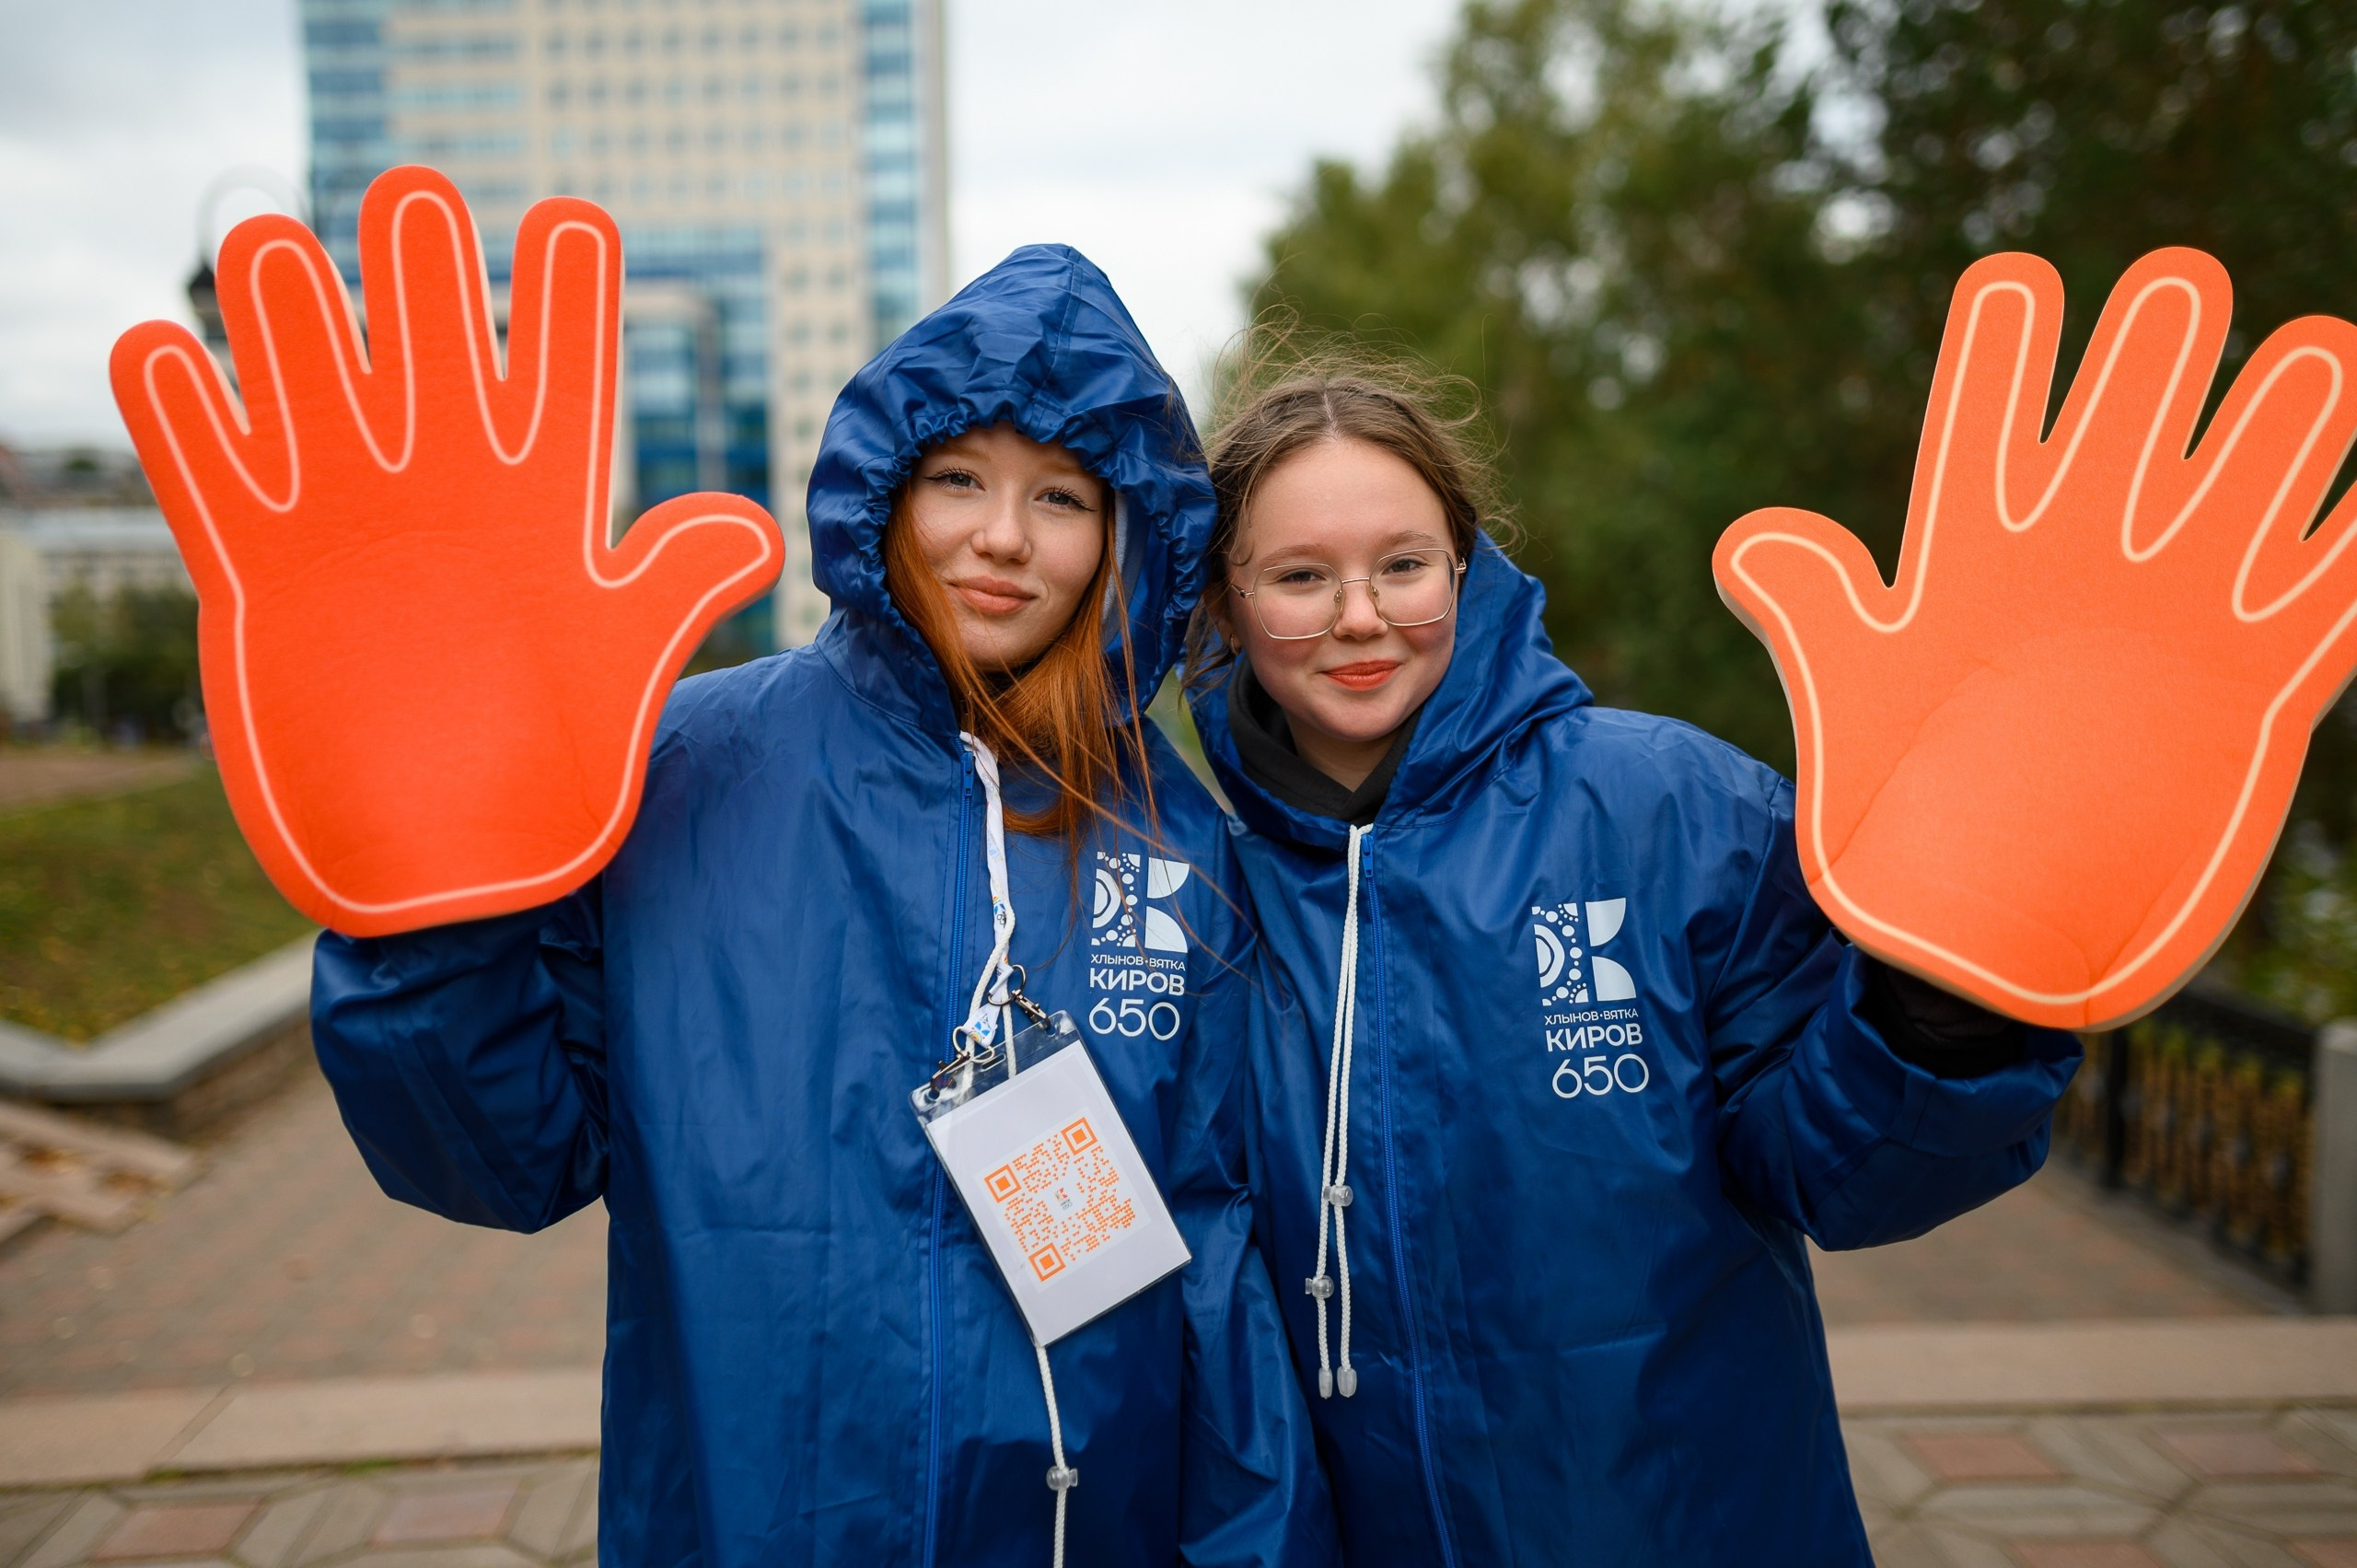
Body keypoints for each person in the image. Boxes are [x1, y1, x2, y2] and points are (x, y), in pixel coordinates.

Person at [310, 248, 1335, 1567]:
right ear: (890, 488)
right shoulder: (686, 765)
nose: (1004, 536)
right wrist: (424, 909)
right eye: (961, 477)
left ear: (1123, 538)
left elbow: (1212, 1252)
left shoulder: (1173, 835)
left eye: (1062, 496)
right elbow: (505, 1158)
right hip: (752, 1516)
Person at [1182, 357, 2082, 1564]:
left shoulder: (1670, 807)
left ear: (1466, 564)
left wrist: (1938, 1018)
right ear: (1228, 602)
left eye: (1402, 564)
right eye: (1300, 576)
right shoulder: (1191, 893)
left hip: (1688, 1521)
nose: (1361, 616)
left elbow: (1846, 1177)